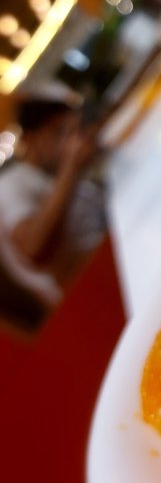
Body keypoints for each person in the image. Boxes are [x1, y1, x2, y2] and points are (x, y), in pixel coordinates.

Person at [0, 97, 103, 319]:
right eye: (60, 132)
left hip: (105, 266)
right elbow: (33, 246)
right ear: (30, 138)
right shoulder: (10, 184)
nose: (71, 141)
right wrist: (71, 167)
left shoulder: (49, 173)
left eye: (75, 131)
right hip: (89, 293)